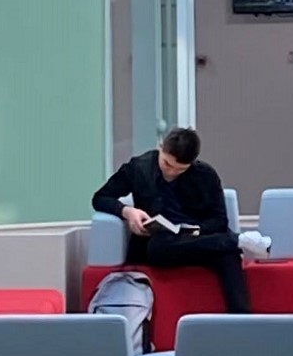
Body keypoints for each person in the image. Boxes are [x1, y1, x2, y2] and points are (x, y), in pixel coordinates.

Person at [92, 126, 255, 313]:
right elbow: (100, 198)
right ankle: (234, 241)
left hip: (197, 239)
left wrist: (193, 231)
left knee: (228, 256)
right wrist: (127, 211)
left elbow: (219, 221)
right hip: (159, 245)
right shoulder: (139, 168)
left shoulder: (206, 175)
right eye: (167, 165)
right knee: (159, 246)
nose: (171, 173)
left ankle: (242, 322)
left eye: (180, 170)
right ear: (160, 147)